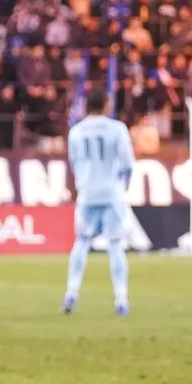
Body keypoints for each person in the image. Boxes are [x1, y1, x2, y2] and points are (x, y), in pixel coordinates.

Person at [63, 87, 137, 315]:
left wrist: (81, 184)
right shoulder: (117, 129)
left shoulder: (76, 131)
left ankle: (71, 293)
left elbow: (74, 162)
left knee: (82, 241)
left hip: (87, 192)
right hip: (111, 192)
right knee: (115, 244)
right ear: (106, 104)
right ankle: (121, 299)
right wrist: (124, 186)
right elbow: (128, 163)